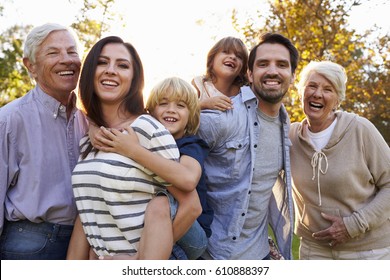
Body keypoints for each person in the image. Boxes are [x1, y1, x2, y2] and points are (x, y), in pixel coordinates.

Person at [67, 36, 191, 260]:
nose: (111, 70)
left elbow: (190, 205)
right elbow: (87, 213)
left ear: (134, 79)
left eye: (122, 65)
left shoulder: (148, 129)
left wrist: (139, 261)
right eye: (102, 62)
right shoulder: (88, 140)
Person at [197, 32, 299, 260]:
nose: (272, 71)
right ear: (250, 74)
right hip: (212, 254)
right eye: (263, 64)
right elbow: (164, 135)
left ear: (292, 76)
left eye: (282, 65)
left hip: (258, 253)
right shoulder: (222, 115)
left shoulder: (285, 125)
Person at [94, 77, 213, 260]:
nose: (171, 109)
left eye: (180, 105)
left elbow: (189, 179)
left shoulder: (190, 145)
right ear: (150, 112)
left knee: (160, 202)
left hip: (191, 233)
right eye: (163, 103)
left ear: (191, 116)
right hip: (154, 225)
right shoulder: (143, 140)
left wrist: (139, 256)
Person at [0, 23, 87, 260]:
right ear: (31, 65)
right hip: (28, 246)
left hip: (82, 245)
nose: (67, 60)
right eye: (53, 52)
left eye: (72, 51)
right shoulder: (9, 120)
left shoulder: (88, 123)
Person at [290, 60, 390, 260]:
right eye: (312, 86)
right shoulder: (290, 136)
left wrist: (352, 225)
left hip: (367, 250)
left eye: (328, 89)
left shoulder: (360, 130)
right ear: (301, 93)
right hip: (313, 249)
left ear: (337, 100)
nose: (318, 94)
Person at [192, 36, 248, 111]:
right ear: (212, 60)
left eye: (239, 56)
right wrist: (204, 104)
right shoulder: (199, 85)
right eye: (226, 52)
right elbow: (181, 109)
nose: (233, 57)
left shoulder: (244, 93)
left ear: (242, 69)